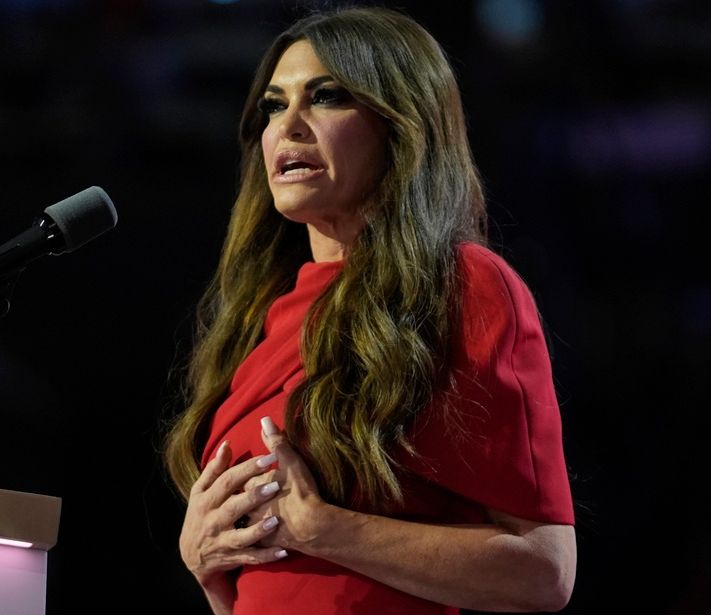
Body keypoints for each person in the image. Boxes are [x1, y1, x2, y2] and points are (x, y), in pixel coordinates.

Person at [161, 6, 576, 615]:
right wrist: (207, 566)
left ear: (399, 126)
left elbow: (544, 572)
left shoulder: (462, 286)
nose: (288, 126)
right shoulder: (258, 316)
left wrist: (323, 529)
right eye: (274, 106)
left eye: (326, 97)